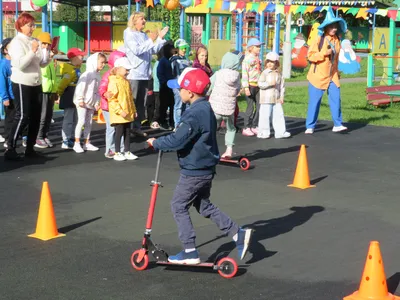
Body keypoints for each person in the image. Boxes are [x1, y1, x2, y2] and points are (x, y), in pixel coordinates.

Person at [147, 68, 253, 265]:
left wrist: (156, 143)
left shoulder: (194, 114)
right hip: (205, 167)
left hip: (194, 170)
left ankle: (190, 250)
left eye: (180, 88)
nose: (178, 91)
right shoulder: (206, 108)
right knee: (203, 205)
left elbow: (178, 140)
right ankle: (237, 233)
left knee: (178, 206)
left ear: (190, 92)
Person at [6, 12, 51, 160]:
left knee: (36, 117)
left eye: (34, 25)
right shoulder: (16, 42)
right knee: (23, 116)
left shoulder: (35, 41)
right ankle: (10, 147)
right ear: (21, 26)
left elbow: (41, 64)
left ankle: (30, 149)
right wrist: (32, 50)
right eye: (29, 25)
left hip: (35, 83)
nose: (32, 28)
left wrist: (49, 54)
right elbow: (21, 64)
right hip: (21, 82)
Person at [123, 11, 168, 137]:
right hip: (134, 73)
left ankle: (136, 127)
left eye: (144, 19)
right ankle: (127, 128)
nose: (144, 21)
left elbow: (153, 50)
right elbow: (137, 50)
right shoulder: (129, 33)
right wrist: (151, 40)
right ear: (134, 20)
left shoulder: (143, 35)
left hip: (144, 74)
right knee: (132, 101)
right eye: (142, 19)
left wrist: (160, 39)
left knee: (141, 103)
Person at [305, 7, 348, 134]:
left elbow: (336, 58)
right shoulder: (319, 39)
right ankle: (310, 126)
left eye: (335, 26)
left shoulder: (337, 40)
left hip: (332, 75)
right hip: (317, 76)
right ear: (326, 28)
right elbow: (310, 56)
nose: (334, 29)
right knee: (315, 102)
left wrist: (337, 71)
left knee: (336, 98)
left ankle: (338, 124)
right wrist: (324, 53)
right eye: (331, 26)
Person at [208, 52, 241, 158]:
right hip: (229, 109)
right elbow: (237, 91)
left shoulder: (218, 74)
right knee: (231, 129)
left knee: (211, 129)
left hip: (216, 108)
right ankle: (229, 150)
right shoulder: (237, 77)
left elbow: (208, 87)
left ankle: (210, 150)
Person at [72, 52, 106, 153]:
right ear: (94, 62)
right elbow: (81, 88)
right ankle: (76, 143)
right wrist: (80, 99)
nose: (103, 65)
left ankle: (86, 142)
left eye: (104, 63)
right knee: (81, 121)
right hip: (82, 102)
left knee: (89, 123)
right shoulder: (87, 74)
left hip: (91, 103)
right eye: (101, 62)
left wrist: (96, 103)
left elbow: (97, 91)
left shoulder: (98, 76)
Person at [108, 57, 138, 161]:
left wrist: (133, 110)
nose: (128, 72)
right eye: (126, 70)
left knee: (127, 132)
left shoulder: (126, 82)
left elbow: (130, 98)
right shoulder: (114, 81)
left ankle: (127, 151)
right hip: (120, 114)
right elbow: (112, 99)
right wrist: (120, 111)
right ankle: (117, 152)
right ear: (118, 69)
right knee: (119, 132)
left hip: (127, 112)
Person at [98, 49, 126, 158]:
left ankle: (120, 148)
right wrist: (104, 93)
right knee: (111, 128)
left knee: (120, 127)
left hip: (117, 106)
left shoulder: (122, 77)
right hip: (107, 106)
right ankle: (109, 149)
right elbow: (102, 87)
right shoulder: (108, 75)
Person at [257, 52, 291, 139]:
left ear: (276, 63)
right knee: (265, 115)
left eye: (272, 62)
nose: (269, 64)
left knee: (279, 114)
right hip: (266, 98)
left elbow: (282, 86)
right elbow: (260, 84)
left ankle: (280, 132)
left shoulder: (279, 74)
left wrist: (282, 97)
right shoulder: (265, 73)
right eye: (268, 62)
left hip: (276, 98)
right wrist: (268, 84)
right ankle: (264, 132)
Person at [58, 48, 85, 149]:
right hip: (69, 95)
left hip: (76, 95)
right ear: (74, 58)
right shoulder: (69, 69)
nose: (82, 58)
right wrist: (59, 93)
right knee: (68, 118)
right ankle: (65, 139)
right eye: (80, 56)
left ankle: (73, 137)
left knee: (76, 118)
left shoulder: (77, 68)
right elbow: (63, 83)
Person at [35, 32, 58, 148]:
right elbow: (42, 72)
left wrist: (55, 90)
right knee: (42, 116)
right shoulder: (39, 57)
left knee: (49, 115)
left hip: (50, 90)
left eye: (48, 44)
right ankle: (38, 137)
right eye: (43, 44)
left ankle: (45, 135)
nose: (46, 46)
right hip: (43, 90)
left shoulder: (50, 58)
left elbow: (53, 75)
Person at [241, 38, 263, 137]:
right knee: (250, 107)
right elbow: (245, 73)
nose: (259, 48)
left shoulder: (258, 58)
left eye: (259, 46)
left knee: (259, 106)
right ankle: (246, 126)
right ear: (251, 48)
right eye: (257, 47)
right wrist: (246, 87)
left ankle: (255, 125)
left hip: (258, 85)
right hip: (250, 85)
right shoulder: (247, 60)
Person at [170, 39, 191, 129]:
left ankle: (185, 122)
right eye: (182, 48)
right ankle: (177, 125)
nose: (184, 50)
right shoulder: (174, 60)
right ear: (177, 49)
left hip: (185, 85)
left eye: (185, 48)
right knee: (178, 105)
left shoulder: (185, 59)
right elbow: (173, 73)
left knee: (186, 104)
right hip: (177, 85)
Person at [157, 42, 175, 130]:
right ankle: (162, 122)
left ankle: (172, 122)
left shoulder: (173, 60)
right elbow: (160, 74)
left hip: (172, 86)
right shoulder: (163, 61)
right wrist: (164, 83)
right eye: (171, 50)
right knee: (163, 106)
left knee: (172, 105)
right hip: (165, 87)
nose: (173, 51)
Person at [0, 38, 14, 148]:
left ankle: (19, 137)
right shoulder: (4, 64)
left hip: (18, 95)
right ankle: (8, 139)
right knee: (9, 119)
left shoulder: (16, 63)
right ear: (5, 50)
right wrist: (5, 98)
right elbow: (2, 82)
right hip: (10, 96)